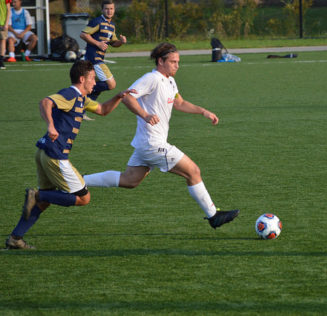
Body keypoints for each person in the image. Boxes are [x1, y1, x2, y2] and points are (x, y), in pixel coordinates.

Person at [84, 42, 240, 229]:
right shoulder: (152, 79)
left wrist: (203, 111)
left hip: (146, 144)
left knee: (130, 180)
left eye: (178, 61)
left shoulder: (170, 81)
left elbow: (179, 103)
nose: (177, 65)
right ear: (160, 61)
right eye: (173, 62)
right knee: (193, 171)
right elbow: (126, 97)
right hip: (152, 144)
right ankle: (213, 215)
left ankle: (79, 181)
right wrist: (145, 115)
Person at [5, 60, 136, 250]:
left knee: (45, 202)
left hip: (44, 153)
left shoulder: (82, 98)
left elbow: (102, 110)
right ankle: (37, 194)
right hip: (55, 156)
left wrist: (118, 97)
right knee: (84, 198)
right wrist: (50, 125)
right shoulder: (70, 94)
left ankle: (15, 238)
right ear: (82, 79)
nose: (95, 83)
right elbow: (45, 102)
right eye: (92, 78)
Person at [80, 0, 126, 100]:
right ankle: (82, 91)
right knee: (111, 84)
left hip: (97, 59)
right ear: (102, 10)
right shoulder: (97, 22)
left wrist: (121, 42)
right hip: (94, 59)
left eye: (111, 9)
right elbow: (83, 34)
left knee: (97, 84)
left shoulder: (111, 25)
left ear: (114, 10)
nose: (109, 11)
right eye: (106, 9)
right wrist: (98, 43)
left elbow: (113, 43)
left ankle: (83, 107)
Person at [0, 0, 11, 69]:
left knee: (2, 41)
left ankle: (1, 60)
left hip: (2, 23)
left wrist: (6, 23)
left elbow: (8, 10)